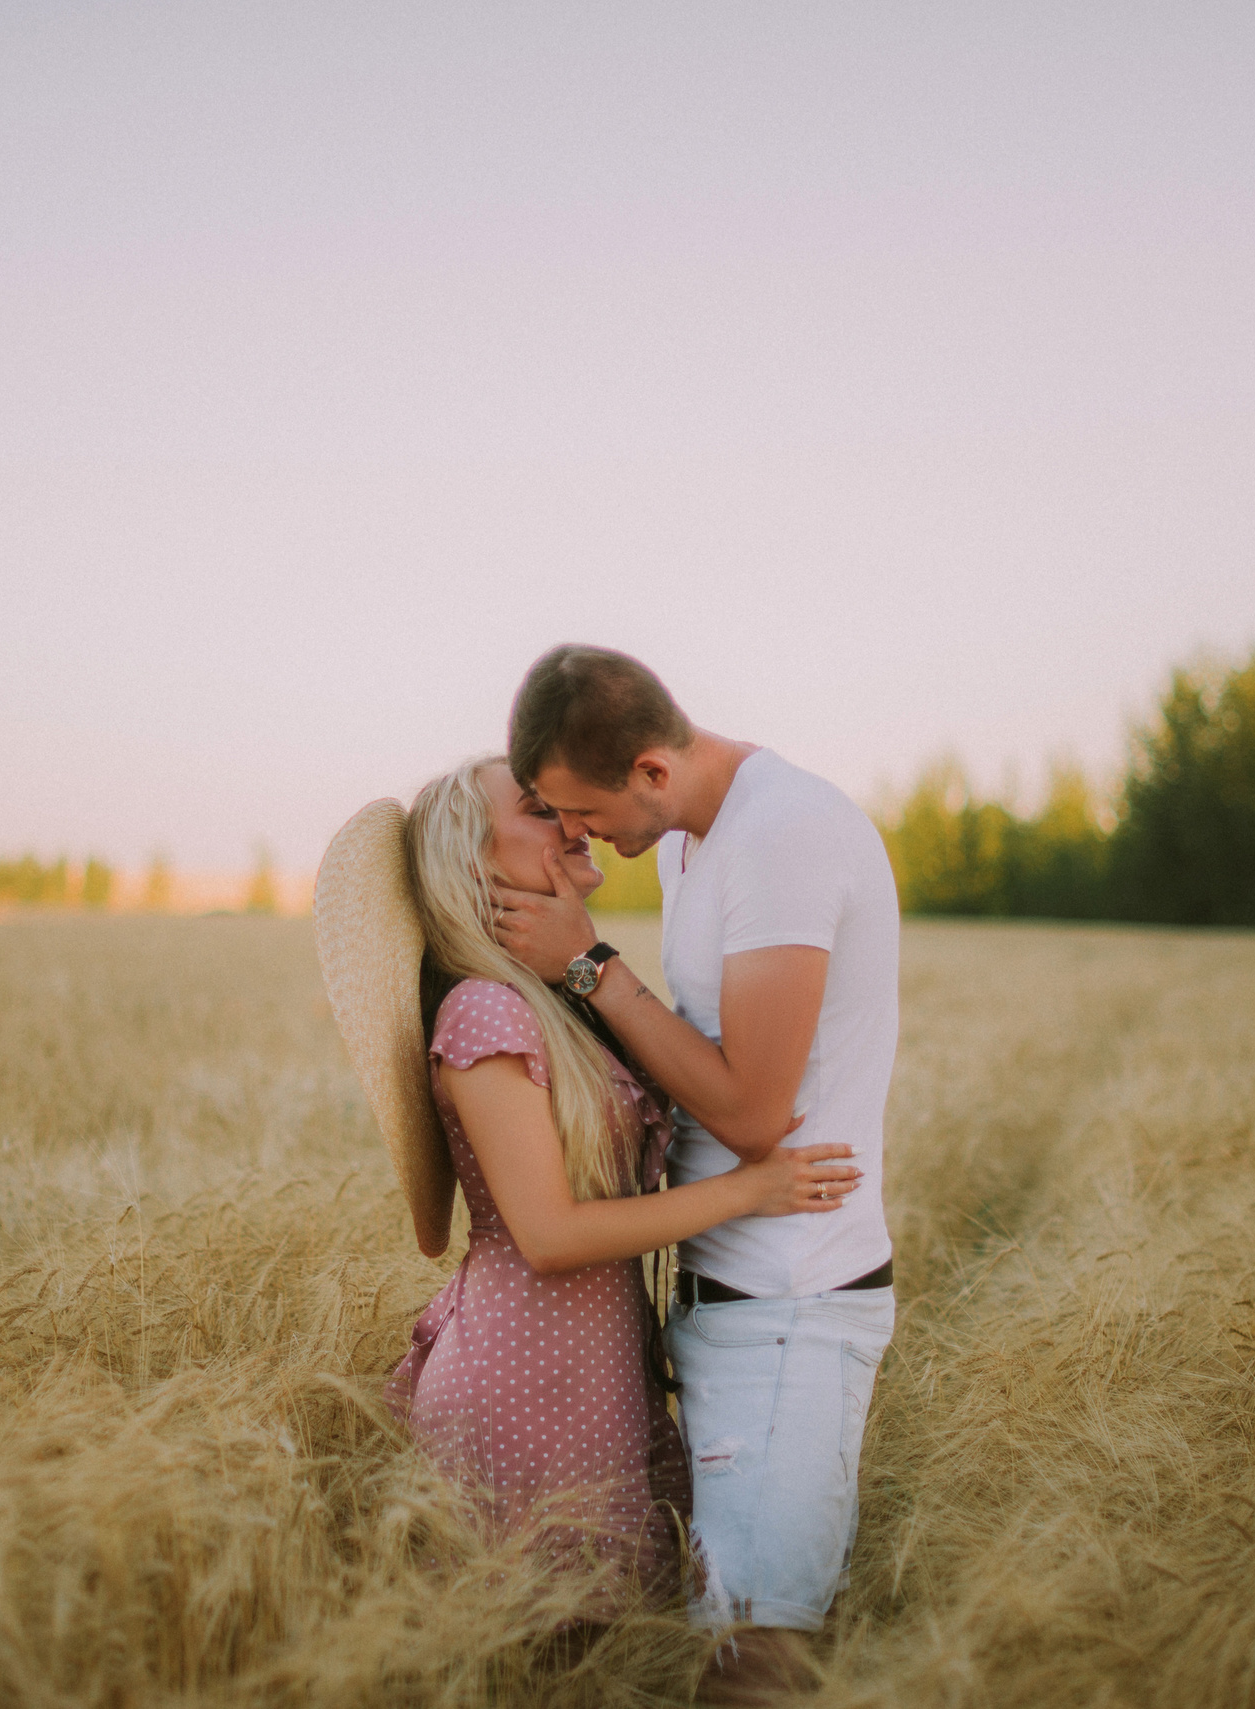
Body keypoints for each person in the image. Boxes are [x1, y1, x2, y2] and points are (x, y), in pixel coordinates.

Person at [490, 645, 900, 1705]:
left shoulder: (783, 835)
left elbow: (756, 1113)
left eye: (582, 811)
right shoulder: (687, 841)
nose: (579, 837)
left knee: (755, 1660)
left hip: (792, 1300)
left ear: (650, 771)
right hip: (731, 1294)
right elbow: (697, 1057)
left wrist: (590, 967)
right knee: (732, 1623)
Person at [384, 754, 866, 1623]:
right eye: (539, 810)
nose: (572, 822)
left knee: (602, 1660)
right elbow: (548, 1233)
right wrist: (750, 1190)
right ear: (475, 861)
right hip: (521, 1381)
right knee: (536, 1658)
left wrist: (586, 965)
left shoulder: (551, 1003)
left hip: (586, 1373)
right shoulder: (485, 1013)